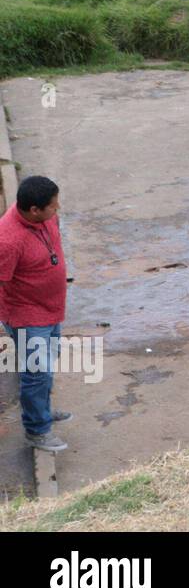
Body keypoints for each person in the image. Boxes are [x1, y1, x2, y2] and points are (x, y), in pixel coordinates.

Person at [0, 176, 70, 452]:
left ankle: (42, 410)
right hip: (27, 316)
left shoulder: (45, 218)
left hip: (51, 308)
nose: (58, 209)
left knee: (48, 361)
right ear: (33, 210)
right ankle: (37, 430)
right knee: (37, 371)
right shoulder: (8, 241)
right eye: (53, 206)